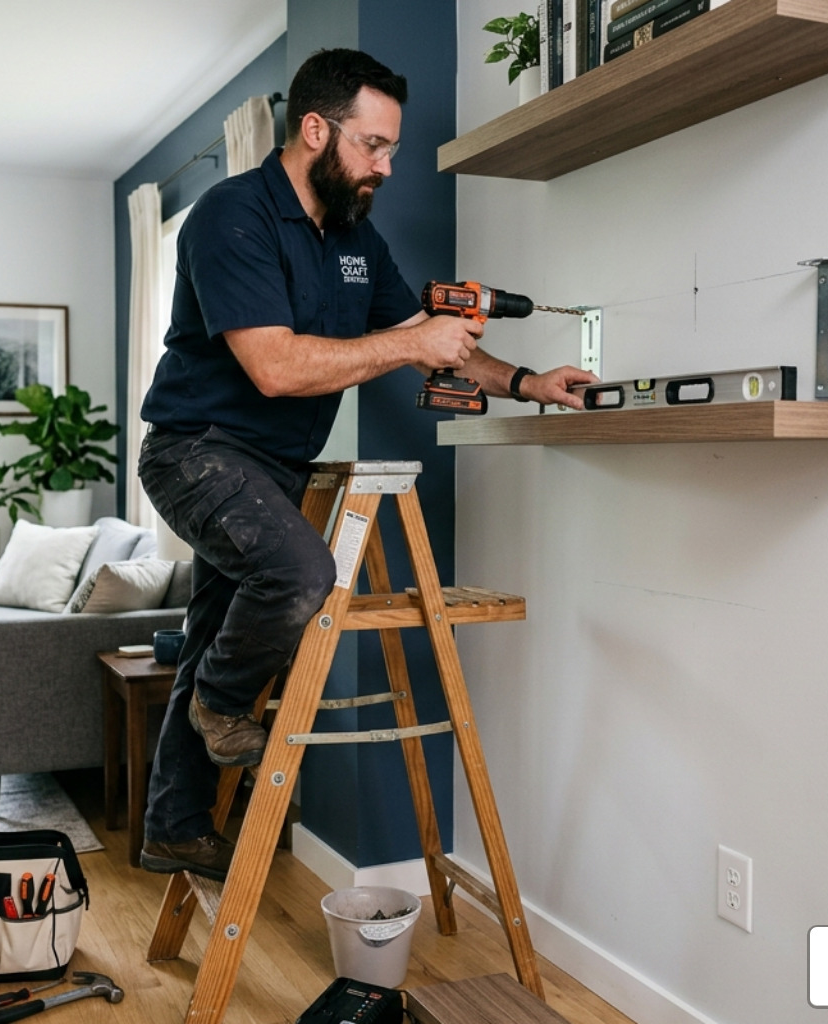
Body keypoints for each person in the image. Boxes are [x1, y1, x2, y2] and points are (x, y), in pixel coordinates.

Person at [136, 48, 595, 881]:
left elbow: (430, 338)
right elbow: (274, 366)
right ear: (316, 129)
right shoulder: (228, 218)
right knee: (300, 573)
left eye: (391, 149)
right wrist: (409, 341)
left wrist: (527, 382)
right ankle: (221, 703)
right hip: (196, 451)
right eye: (373, 145)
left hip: (275, 465)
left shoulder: (353, 237)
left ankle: (173, 825)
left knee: (211, 630)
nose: (385, 165)